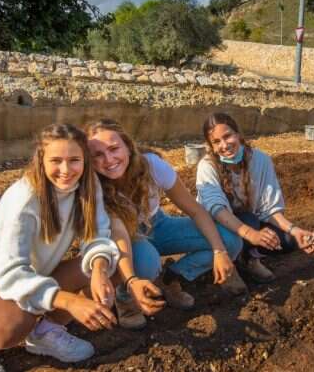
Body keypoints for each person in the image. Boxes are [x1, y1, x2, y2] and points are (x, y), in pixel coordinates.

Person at [0, 123, 121, 372]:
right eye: (56, 161)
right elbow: (12, 274)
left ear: (85, 160)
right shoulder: (25, 199)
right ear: (40, 160)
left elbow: (97, 235)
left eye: (74, 160)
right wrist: (71, 301)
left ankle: (44, 332)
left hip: (35, 275)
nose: (66, 170)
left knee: (113, 267)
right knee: (15, 323)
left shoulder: (88, 187)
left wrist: (99, 269)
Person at [85, 120, 245, 330]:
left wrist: (219, 251)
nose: (108, 159)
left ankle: (172, 278)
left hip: (158, 224)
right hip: (126, 236)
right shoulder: (93, 185)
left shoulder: (151, 165)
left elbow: (195, 210)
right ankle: (125, 297)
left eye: (114, 149)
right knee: (147, 262)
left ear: (128, 146)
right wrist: (131, 279)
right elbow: (118, 233)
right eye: (98, 155)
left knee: (230, 240)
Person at [196, 113, 314, 283]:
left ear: (238, 134)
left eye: (227, 136)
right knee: (250, 220)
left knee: (287, 241)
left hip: (250, 223)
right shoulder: (207, 166)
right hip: (218, 229)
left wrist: (294, 230)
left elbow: (269, 208)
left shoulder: (260, 160)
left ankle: (246, 257)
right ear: (211, 146)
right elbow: (216, 209)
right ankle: (235, 263)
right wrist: (251, 234)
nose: (224, 145)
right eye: (217, 141)